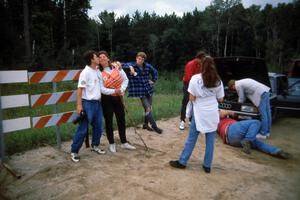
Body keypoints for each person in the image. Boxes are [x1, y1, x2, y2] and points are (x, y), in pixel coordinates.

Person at [169, 56, 224, 173]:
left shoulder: (195, 78)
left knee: (192, 138)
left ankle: (182, 161)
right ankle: (207, 165)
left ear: (202, 65)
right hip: (213, 112)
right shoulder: (218, 80)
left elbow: (191, 97)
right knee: (210, 141)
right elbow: (221, 99)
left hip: (200, 112)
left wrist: (200, 96)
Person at [70, 50, 118, 162]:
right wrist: (79, 106)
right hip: (87, 104)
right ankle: (74, 151)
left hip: (97, 104)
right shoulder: (85, 72)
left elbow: (101, 88)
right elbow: (79, 89)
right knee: (83, 129)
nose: (99, 59)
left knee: (99, 127)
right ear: (92, 59)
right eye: (97, 57)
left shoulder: (97, 71)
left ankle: (95, 145)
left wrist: (115, 91)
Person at [98, 51, 136, 153]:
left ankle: (124, 142)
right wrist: (114, 91)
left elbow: (125, 80)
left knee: (121, 120)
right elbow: (101, 88)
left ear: (107, 58)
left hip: (118, 98)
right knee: (109, 121)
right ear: (99, 61)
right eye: (100, 58)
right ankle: (111, 143)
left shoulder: (116, 67)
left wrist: (122, 90)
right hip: (106, 99)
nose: (102, 58)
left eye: (104, 56)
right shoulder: (99, 72)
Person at [217, 109, 290, 159]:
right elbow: (221, 113)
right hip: (231, 129)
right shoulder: (216, 114)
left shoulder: (213, 123)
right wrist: (230, 112)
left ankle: (277, 151)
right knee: (256, 122)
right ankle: (248, 140)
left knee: (258, 143)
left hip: (231, 140)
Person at [122, 52, 163, 134]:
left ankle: (145, 124)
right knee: (148, 108)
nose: (140, 60)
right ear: (136, 58)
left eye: (142, 59)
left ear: (144, 60)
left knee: (148, 108)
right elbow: (122, 65)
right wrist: (130, 67)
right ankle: (154, 126)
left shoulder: (147, 66)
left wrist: (154, 80)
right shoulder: (132, 65)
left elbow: (154, 71)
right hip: (140, 91)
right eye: (139, 58)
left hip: (148, 89)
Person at [179, 51, 206, 130]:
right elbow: (189, 77)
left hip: (196, 85)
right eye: (203, 59)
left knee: (195, 102)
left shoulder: (201, 65)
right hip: (188, 84)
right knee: (186, 101)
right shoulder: (190, 64)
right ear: (200, 58)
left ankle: (191, 120)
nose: (203, 61)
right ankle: (182, 121)